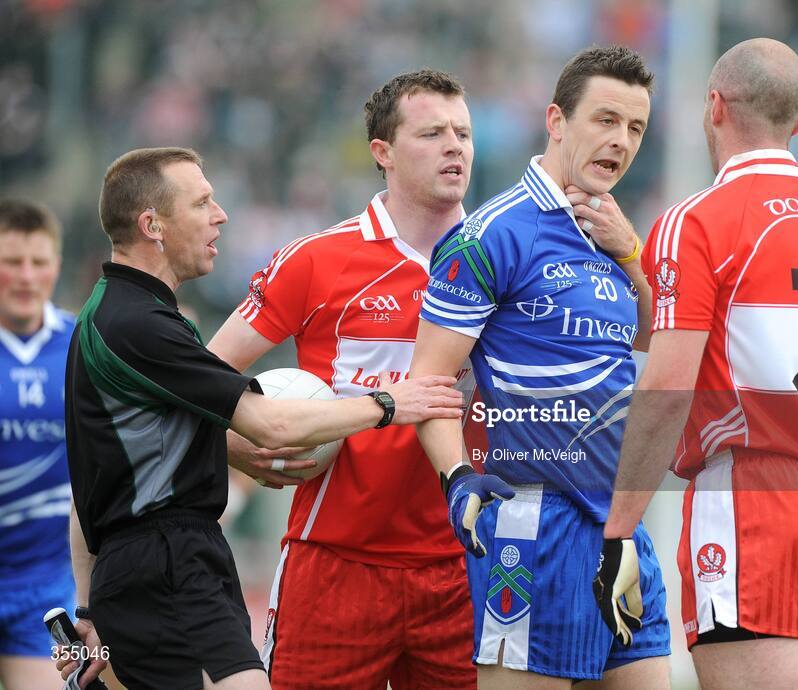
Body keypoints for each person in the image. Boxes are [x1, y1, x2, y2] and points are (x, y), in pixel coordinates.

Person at [57, 147, 463, 690]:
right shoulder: (140, 326)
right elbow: (270, 425)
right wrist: (390, 405)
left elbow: (88, 483)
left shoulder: (108, 315)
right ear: (152, 225)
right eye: (202, 203)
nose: (220, 215)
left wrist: (86, 610)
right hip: (167, 568)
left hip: (154, 568)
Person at [595, 38, 798, 690]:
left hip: (751, 497)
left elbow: (669, 384)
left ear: (714, 107)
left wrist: (617, 531)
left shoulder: (698, 221)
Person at [206, 69, 478, 689]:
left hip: (467, 561)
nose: (454, 146)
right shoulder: (316, 260)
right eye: (432, 132)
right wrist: (243, 447)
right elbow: (202, 380)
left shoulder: (503, 260)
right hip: (334, 561)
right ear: (381, 152)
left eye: (462, 132)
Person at [411, 46, 671, 688]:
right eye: (605, 120)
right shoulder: (492, 234)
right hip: (535, 528)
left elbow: (655, 339)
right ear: (557, 121)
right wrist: (456, 481)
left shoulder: (610, 233)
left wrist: (633, 254)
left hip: (620, 530)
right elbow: (427, 384)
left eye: (635, 127)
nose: (621, 141)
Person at [0, 200, 75, 690]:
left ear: (57, 266)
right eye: (11, 262)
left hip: (47, 589)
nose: (26, 276)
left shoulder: (86, 347)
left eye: (39, 262)